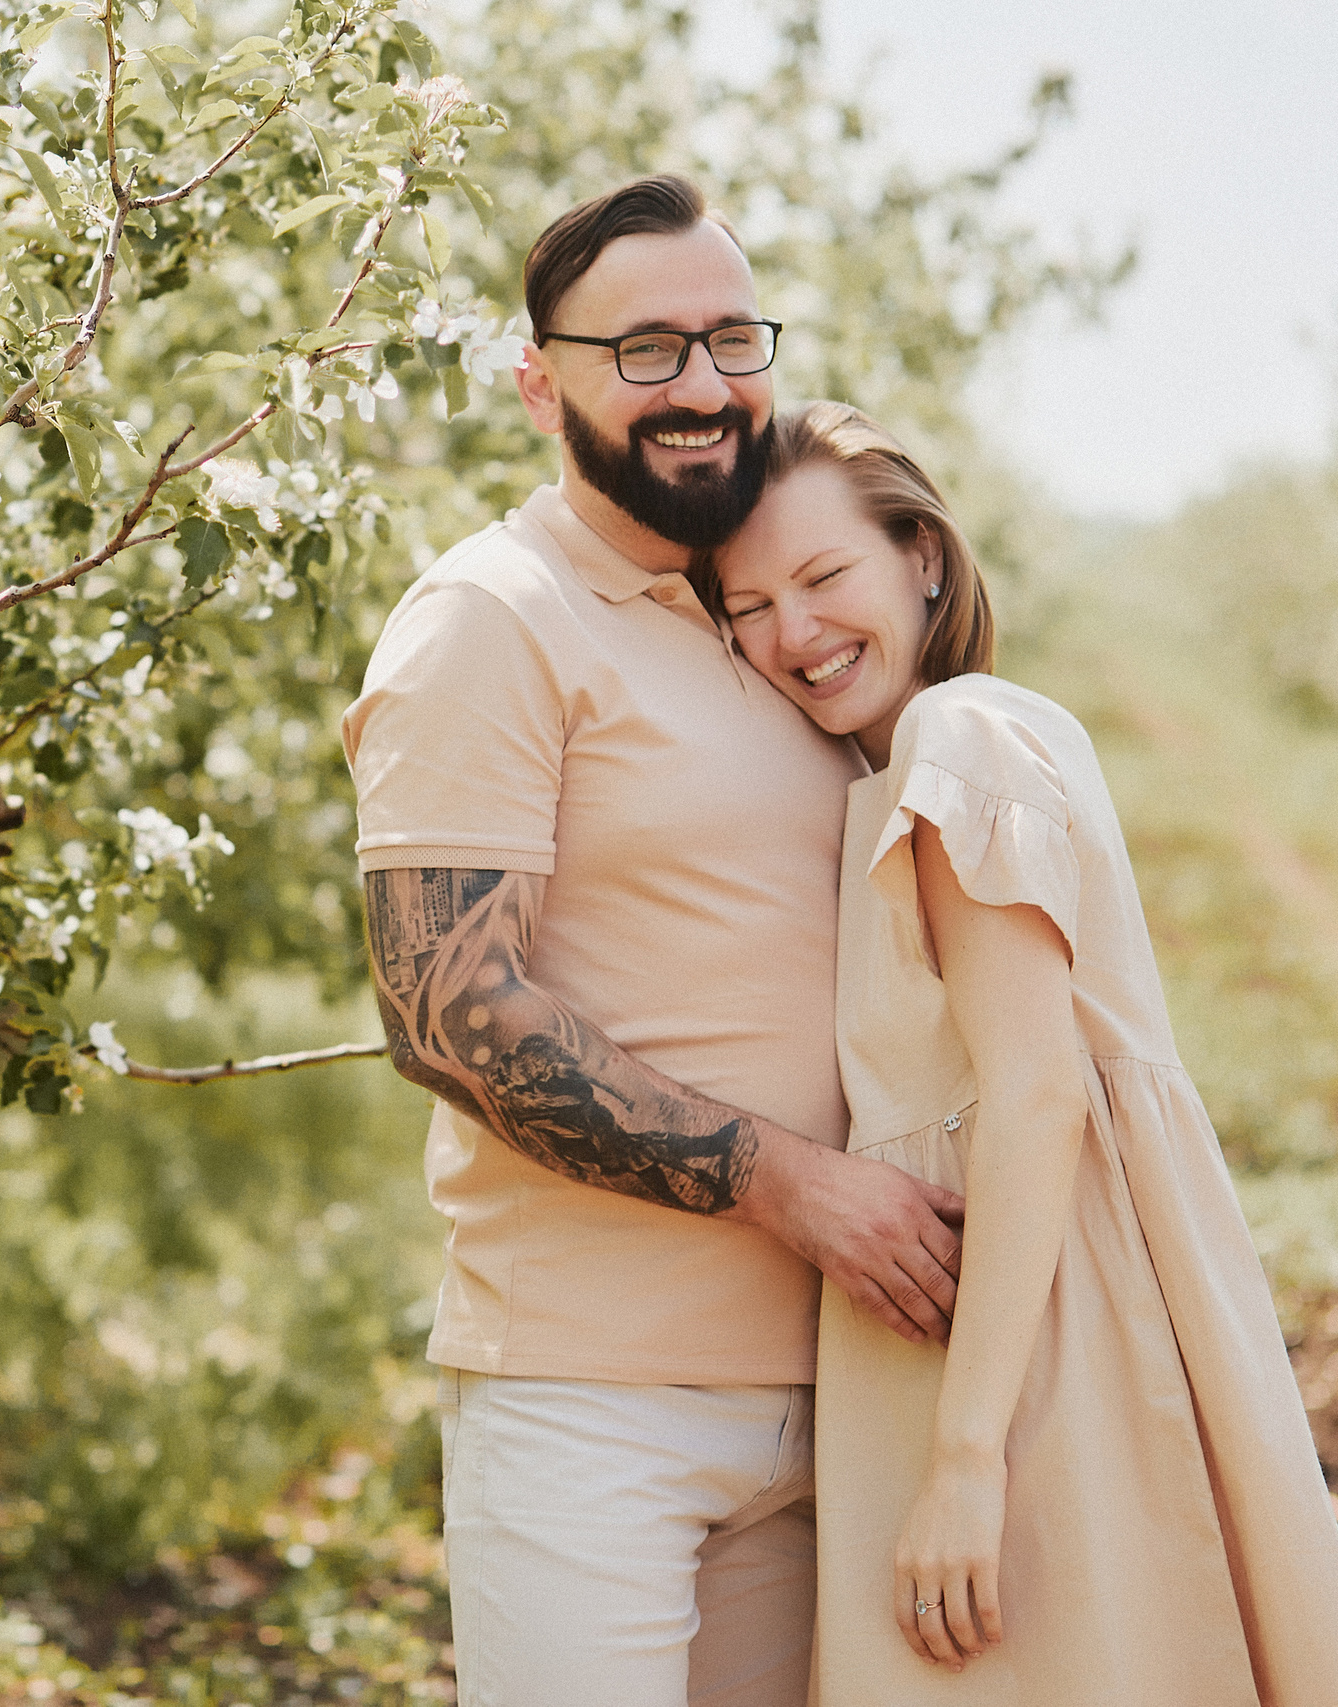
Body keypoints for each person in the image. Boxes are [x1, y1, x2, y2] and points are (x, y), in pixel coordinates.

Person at [341, 176, 968, 1706]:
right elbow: (449, 1013)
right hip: (591, 1404)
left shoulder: (774, 610)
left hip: (839, 1390)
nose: (699, 384)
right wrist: (798, 1190)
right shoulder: (491, 618)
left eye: (728, 339)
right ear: (538, 383)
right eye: (645, 350)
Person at [712, 400, 1338, 1704]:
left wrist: (967, 1459)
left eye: (823, 575)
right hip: (1024, 1317)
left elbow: (1033, 1095)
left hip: (1035, 1346)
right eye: (746, 604)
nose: (792, 631)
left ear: (921, 554)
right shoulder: (962, 743)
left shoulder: (956, 739)